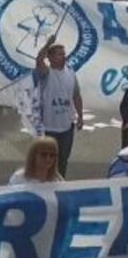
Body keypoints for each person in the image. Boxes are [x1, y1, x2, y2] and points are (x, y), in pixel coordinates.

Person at [35, 34, 83, 178]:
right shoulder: (46, 73)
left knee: (63, 159)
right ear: (49, 57)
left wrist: (80, 116)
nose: (63, 57)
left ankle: (60, 182)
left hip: (67, 126)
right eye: (59, 55)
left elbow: (76, 96)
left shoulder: (71, 73)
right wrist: (48, 44)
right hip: (49, 127)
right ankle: (45, 181)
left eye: (64, 54)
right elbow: (38, 60)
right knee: (47, 160)